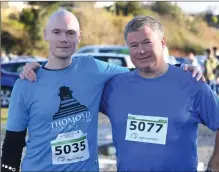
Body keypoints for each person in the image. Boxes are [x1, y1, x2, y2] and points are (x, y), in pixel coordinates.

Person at [1, 10, 204, 172]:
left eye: (70, 33)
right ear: (46, 34)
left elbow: (138, 71)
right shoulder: (27, 83)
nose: (63, 38)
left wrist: (180, 69)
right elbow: (12, 144)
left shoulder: (92, 68)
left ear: (79, 37)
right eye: (57, 32)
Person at [100, 16, 219, 172]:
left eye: (147, 42)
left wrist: (213, 168)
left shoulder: (191, 82)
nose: (141, 50)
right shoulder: (115, 86)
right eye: (134, 45)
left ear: (162, 42)